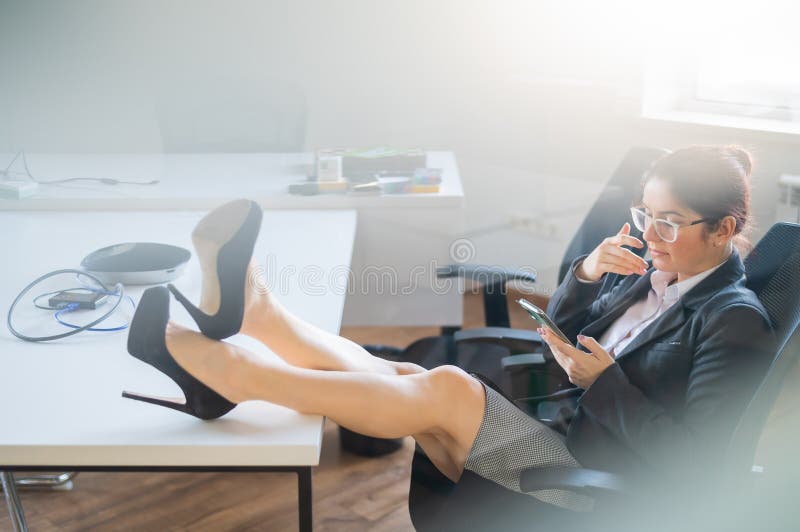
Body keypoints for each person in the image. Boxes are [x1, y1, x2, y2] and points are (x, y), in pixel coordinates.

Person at [122, 145, 775, 522]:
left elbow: (696, 466)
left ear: (722, 229)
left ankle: (234, 374)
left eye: (670, 222)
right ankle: (263, 320)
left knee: (447, 392)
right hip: (563, 419)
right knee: (412, 379)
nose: (650, 234)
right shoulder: (655, 269)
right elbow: (573, 330)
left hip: (600, 480)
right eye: (645, 214)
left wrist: (605, 384)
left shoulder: (734, 320)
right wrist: (587, 271)